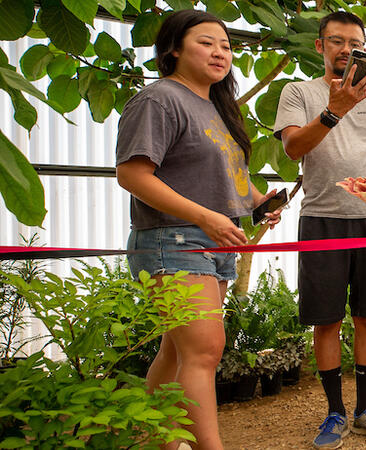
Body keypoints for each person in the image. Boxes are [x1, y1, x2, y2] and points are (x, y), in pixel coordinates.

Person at [116, 10, 282, 449]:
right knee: (204, 350)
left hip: (212, 242)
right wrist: (205, 216)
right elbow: (132, 174)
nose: (219, 52)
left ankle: (162, 442)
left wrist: (258, 201)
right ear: (173, 49)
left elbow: (226, 175)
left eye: (226, 46)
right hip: (173, 239)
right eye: (206, 43)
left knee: (178, 350)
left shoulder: (216, 107)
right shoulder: (158, 99)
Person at [274, 11, 366, 448]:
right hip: (322, 220)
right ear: (320, 46)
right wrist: (335, 110)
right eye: (337, 41)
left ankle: (365, 409)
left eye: (355, 43)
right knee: (326, 320)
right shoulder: (298, 92)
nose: (347, 50)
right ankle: (334, 412)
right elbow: (293, 147)